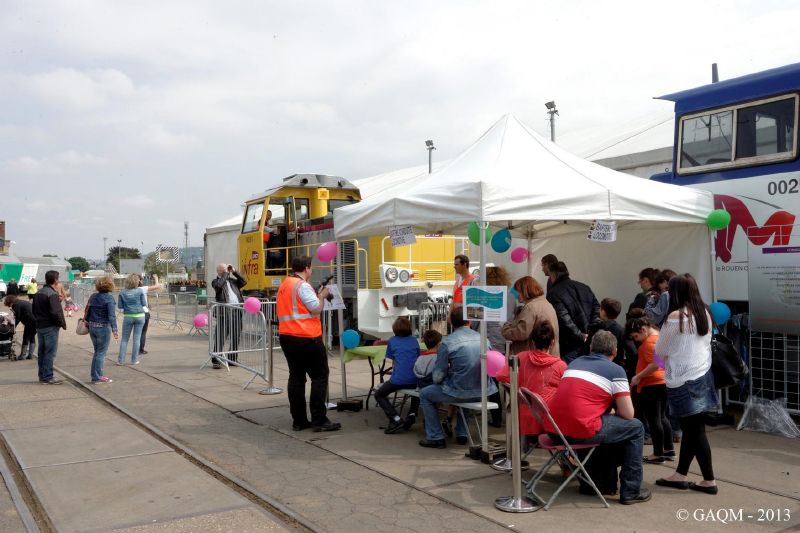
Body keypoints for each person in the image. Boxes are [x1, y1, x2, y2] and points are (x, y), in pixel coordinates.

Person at [546, 330, 651, 505]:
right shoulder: (616, 370)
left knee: (603, 424)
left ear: (591, 348)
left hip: (555, 431)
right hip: (579, 431)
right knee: (637, 427)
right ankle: (631, 490)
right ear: (615, 352)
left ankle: (594, 481)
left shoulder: (574, 363)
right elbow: (628, 414)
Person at [654, 274, 718, 495]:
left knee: (695, 431)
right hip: (703, 375)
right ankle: (680, 474)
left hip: (682, 380)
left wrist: (663, 361)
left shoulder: (676, 316)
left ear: (675, 292)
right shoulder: (705, 312)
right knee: (692, 430)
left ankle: (709, 480)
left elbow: (660, 350)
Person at [418, 307, 498, 448]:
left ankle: (435, 436)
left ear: (451, 323)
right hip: (484, 391)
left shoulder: (447, 342)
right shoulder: (484, 340)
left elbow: (438, 376)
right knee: (464, 383)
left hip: (459, 391)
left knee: (425, 394)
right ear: (469, 321)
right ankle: (462, 433)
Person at [277, 256, 340, 432]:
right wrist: (322, 296)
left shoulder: (285, 284)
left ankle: (299, 420)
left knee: (296, 378)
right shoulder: (302, 286)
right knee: (319, 377)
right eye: (311, 268)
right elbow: (316, 308)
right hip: (307, 337)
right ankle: (319, 420)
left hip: (287, 336)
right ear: (306, 268)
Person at [496, 321, 566, 437]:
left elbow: (500, 376)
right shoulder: (560, 366)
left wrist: (517, 390)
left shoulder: (520, 357)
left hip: (523, 420)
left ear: (532, 341)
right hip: (549, 424)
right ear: (552, 342)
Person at [626, 315, 674, 463]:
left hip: (652, 384)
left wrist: (638, 376)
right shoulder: (659, 337)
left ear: (643, 330)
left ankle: (658, 453)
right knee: (662, 417)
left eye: (636, 336)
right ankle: (668, 448)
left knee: (654, 420)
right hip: (663, 382)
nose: (636, 340)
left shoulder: (648, 343)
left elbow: (656, 364)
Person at [546, 261, 600, 362]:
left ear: (554, 274)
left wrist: (580, 335)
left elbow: (563, 318)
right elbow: (597, 309)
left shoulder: (553, 293)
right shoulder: (584, 287)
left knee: (569, 371)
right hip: (588, 343)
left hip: (568, 345)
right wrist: (590, 332)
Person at [374, 317, 420, 434]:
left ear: (395, 329)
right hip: (415, 379)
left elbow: (394, 363)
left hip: (398, 380)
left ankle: (395, 418)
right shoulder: (414, 340)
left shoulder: (392, 341)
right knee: (418, 389)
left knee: (379, 394)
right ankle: (412, 414)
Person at [502, 276, 559, 356]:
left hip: (534, 356)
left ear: (525, 291)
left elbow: (521, 333)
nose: (517, 296)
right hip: (547, 354)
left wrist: (505, 329)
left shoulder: (531, 307)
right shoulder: (545, 303)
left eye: (518, 292)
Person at [31, 271, 66, 384]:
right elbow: (56, 312)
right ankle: (48, 376)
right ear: (55, 280)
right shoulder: (52, 294)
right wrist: (60, 324)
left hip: (40, 325)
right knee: (50, 352)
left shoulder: (38, 292)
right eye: (58, 278)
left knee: (42, 352)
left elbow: (34, 310)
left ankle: (42, 376)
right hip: (50, 326)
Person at [211, 263, 247, 368]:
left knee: (236, 336)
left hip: (236, 312)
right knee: (221, 337)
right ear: (219, 271)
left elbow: (244, 281)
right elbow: (219, 286)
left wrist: (234, 271)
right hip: (224, 313)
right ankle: (216, 360)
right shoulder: (216, 281)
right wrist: (226, 273)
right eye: (224, 270)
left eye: (227, 269)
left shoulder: (232, 281)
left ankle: (232, 359)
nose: (226, 271)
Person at [85, 276, 118, 383]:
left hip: (92, 327)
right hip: (103, 328)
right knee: (101, 353)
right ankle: (97, 377)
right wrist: (115, 330)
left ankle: (95, 375)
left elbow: (87, 311)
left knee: (97, 352)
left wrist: (87, 322)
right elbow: (112, 316)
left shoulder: (93, 296)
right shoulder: (109, 298)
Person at [586, 298, 626, 367]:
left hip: (594, 364)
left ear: (603, 312)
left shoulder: (595, 328)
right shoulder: (621, 331)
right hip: (614, 365)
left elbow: (586, 347)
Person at [117, 274, 147, 366]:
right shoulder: (140, 291)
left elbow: (120, 306)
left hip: (128, 316)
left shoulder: (122, 292)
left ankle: (121, 361)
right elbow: (144, 303)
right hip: (140, 316)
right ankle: (134, 360)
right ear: (137, 282)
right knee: (136, 339)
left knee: (124, 339)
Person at [4, 294, 35, 360]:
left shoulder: (16, 305)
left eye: (9, 304)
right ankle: (30, 355)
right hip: (36, 321)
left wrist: (13, 328)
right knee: (32, 337)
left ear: (11, 302)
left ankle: (23, 355)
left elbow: (17, 318)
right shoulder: (22, 302)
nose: (10, 306)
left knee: (26, 337)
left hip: (29, 321)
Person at [137, 274, 161, 356]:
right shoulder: (142, 289)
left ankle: (136, 348)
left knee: (137, 332)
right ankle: (141, 349)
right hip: (144, 312)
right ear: (140, 281)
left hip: (134, 313)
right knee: (143, 332)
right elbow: (157, 286)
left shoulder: (130, 290)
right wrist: (156, 278)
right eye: (141, 280)